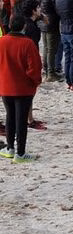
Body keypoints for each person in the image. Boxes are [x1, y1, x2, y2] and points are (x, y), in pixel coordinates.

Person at [0, 15, 43, 162]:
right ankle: (20, 153)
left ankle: (10, 148)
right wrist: (36, 81)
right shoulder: (27, 43)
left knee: (10, 117)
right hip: (24, 88)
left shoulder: (2, 42)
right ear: (23, 26)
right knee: (21, 120)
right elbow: (34, 67)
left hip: (6, 86)